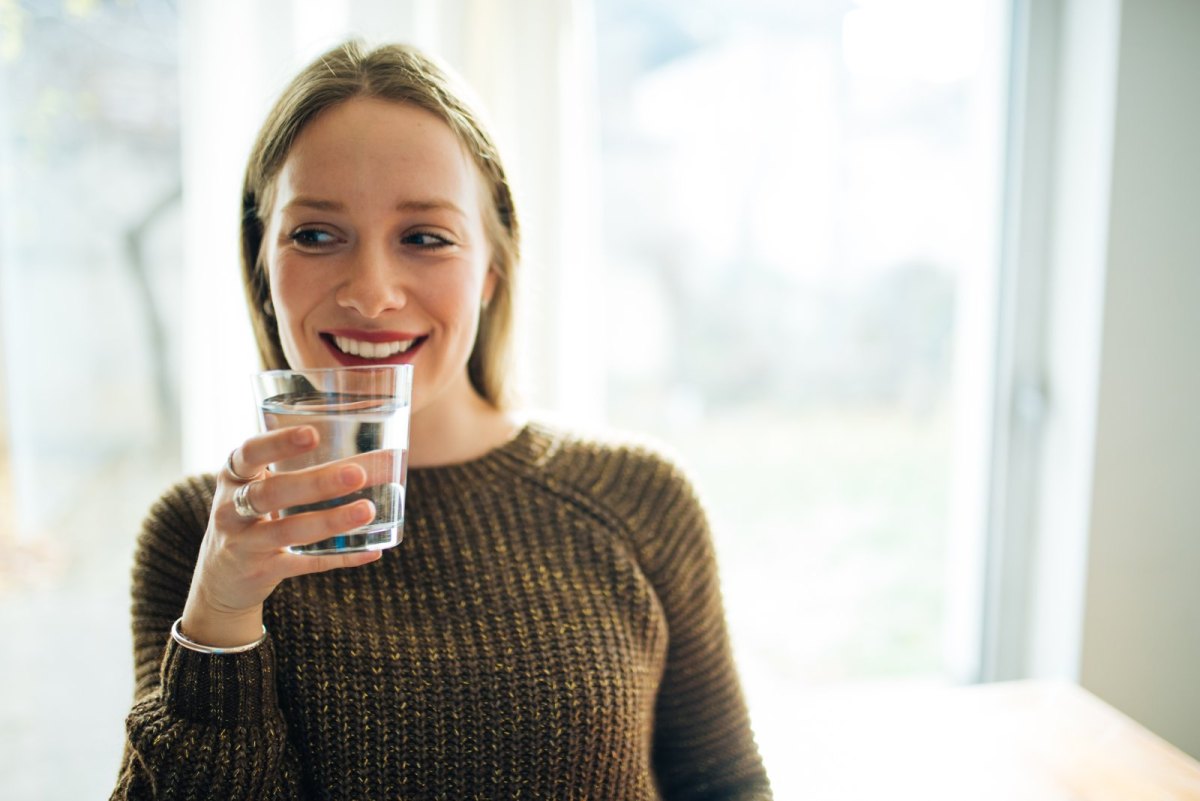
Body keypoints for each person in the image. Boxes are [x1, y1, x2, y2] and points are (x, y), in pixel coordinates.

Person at [111, 40, 772, 800]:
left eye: (424, 237)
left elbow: (727, 785)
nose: (371, 291)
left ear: (491, 268)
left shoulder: (638, 497)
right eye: (316, 235)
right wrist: (221, 618)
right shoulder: (200, 538)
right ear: (262, 261)